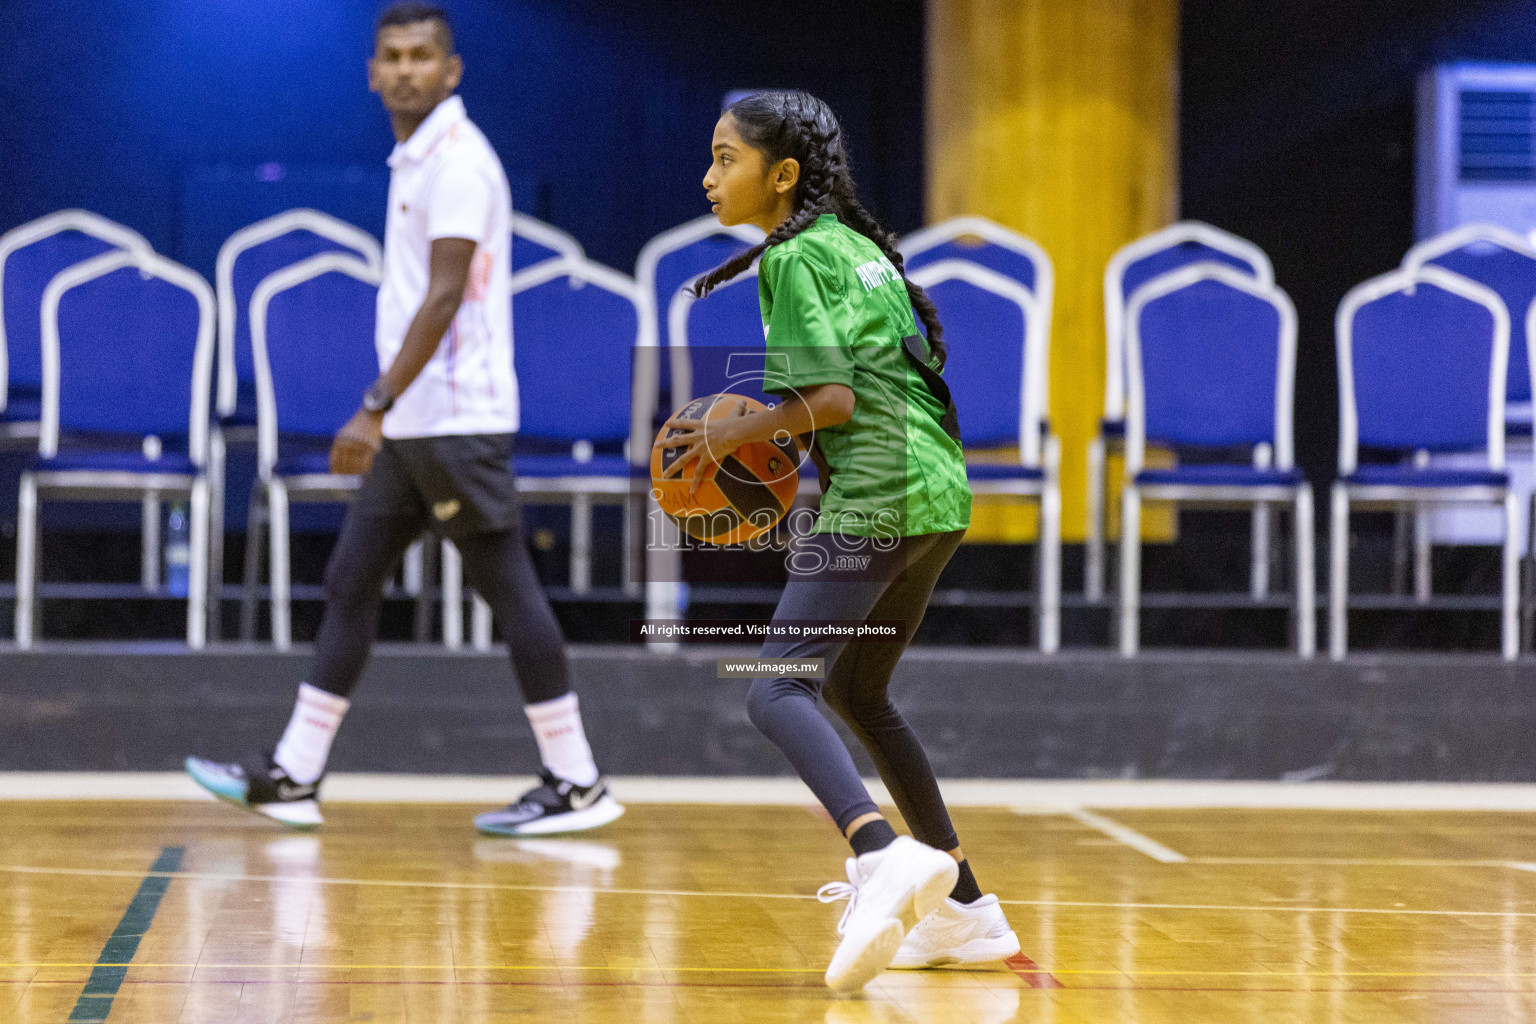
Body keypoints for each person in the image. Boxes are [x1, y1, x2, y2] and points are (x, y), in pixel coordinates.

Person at [186, 2, 622, 838]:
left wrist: (372, 405)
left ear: (450, 71)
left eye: (424, 55)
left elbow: (447, 294)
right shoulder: (416, 158)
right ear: (373, 72)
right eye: (393, 56)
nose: (408, 69)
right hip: (419, 424)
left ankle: (577, 781)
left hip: (452, 420)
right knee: (351, 581)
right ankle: (295, 776)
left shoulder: (458, 161)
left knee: (507, 590)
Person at [661, 91, 1019, 993]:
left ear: (780, 176)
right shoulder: (855, 246)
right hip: (938, 488)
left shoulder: (791, 259)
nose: (708, 177)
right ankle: (968, 913)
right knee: (861, 691)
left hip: (879, 489)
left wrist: (728, 439)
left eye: (725, 158)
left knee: (774, 685)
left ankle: (877, 853)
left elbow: (830, 405)